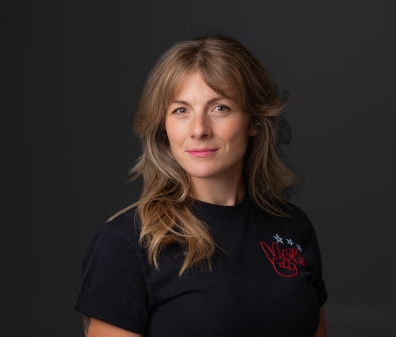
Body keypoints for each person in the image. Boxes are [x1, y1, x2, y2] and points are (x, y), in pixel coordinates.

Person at [75, 34, 329, 337]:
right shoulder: (126, 243)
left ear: (254, 121)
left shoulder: (292, 227)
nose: (199, 130)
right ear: (163, 126)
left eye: (219, 107)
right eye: (181, 110)